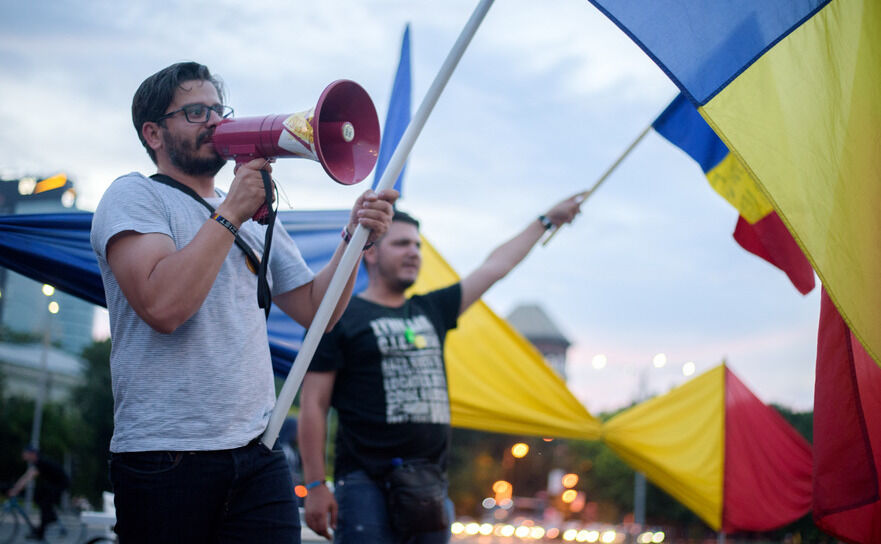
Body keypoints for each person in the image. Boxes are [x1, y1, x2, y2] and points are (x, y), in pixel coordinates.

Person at [89, 61, 396, 544]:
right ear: (153, 133)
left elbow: (318, 311)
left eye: (218, 109)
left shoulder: (252, 217)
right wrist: (231, 210)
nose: (214, 121)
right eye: (195, 111)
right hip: (166, 456)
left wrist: (353, 239)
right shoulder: (135, 196)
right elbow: (163, 306)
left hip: (260, 451)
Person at [299, 198, 582, 543]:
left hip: (429, 484)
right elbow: (313, 404)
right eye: (402, 243)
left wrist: (546, 220)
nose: (414, 252)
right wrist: (314, 485)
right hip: (364, 485)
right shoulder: (338, 315)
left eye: (417, 245)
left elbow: (494, 267)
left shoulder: (432, 308)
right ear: (370, 252)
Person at [7, 446, 70, 541]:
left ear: (32, 454)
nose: (24, 456)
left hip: (60, 484)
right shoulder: (38, 462)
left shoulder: (40, 462)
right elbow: (27, 476)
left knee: (45, 504)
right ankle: (41, 531)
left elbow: (28, 477)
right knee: (40, 499)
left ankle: (49, 521)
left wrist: (15, 490)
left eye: (26, 453)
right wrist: (16, 488)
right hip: (53, 484)